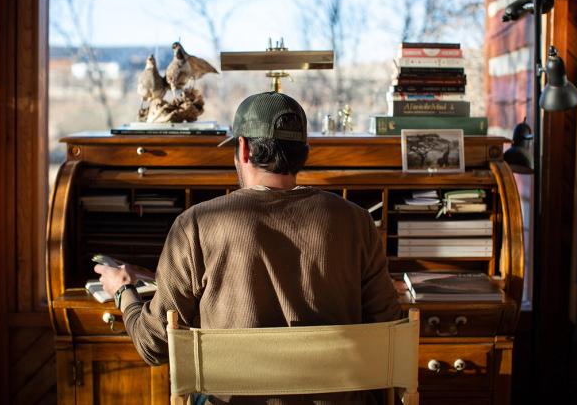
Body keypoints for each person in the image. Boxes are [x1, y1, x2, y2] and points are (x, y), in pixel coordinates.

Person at [95, 91, 402, 404]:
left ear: (242, 148)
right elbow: (390, 331)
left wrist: (124, 293)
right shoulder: (357, 221)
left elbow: (154, 344)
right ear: (304, 152)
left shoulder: (197, 224)